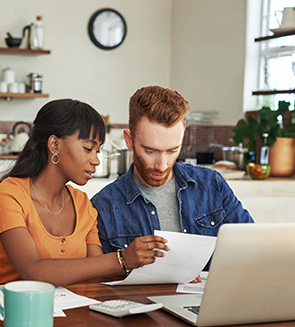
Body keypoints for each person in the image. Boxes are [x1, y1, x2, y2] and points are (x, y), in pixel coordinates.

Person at [0, 99, 169, 286]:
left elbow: (97, 273)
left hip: (74, 312)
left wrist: (166, 272)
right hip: (11, 311)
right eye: (88, 149)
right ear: (54, 145)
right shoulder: (9, 195)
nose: (96, 160)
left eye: (97, 151)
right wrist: (122, 259)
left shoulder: (82, 203)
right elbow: (32, 271)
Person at [91, 86, 253, 258]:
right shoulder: (103, 207)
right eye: (150, 151)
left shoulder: (212, 184)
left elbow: (251, 245)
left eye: (172, 151)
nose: (162, 165)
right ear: (129, 140)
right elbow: (104, 279)